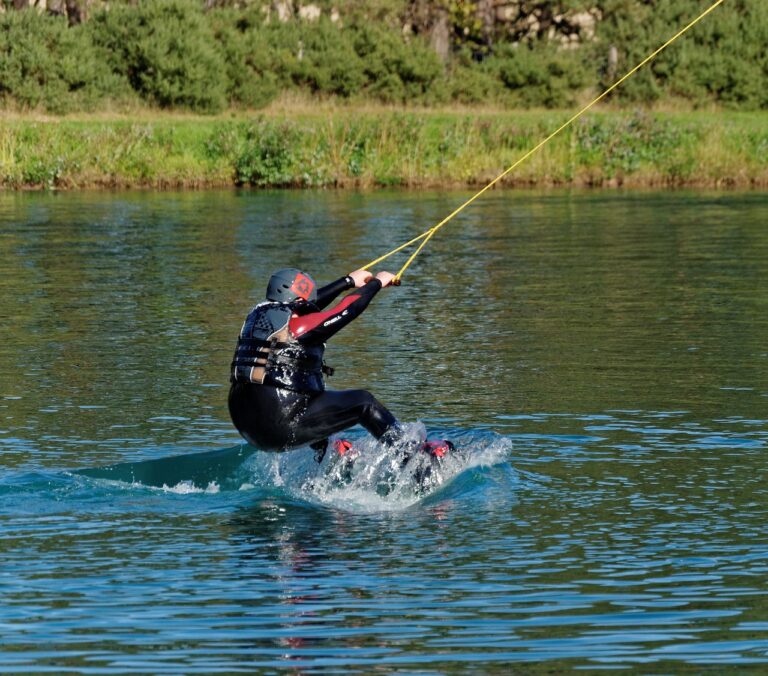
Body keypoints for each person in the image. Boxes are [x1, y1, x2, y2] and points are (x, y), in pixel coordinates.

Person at [228, 267, 410, 462]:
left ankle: (333, 455)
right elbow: (347, 310)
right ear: (299, 304)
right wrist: (377, 283)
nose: (312, 310)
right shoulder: (298, 327)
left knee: (317, 405)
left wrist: (347, 281)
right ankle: (410, 457)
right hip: (280, 424)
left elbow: (310, 304)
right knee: (364, 403)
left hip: (247, 425)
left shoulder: (259, 316)